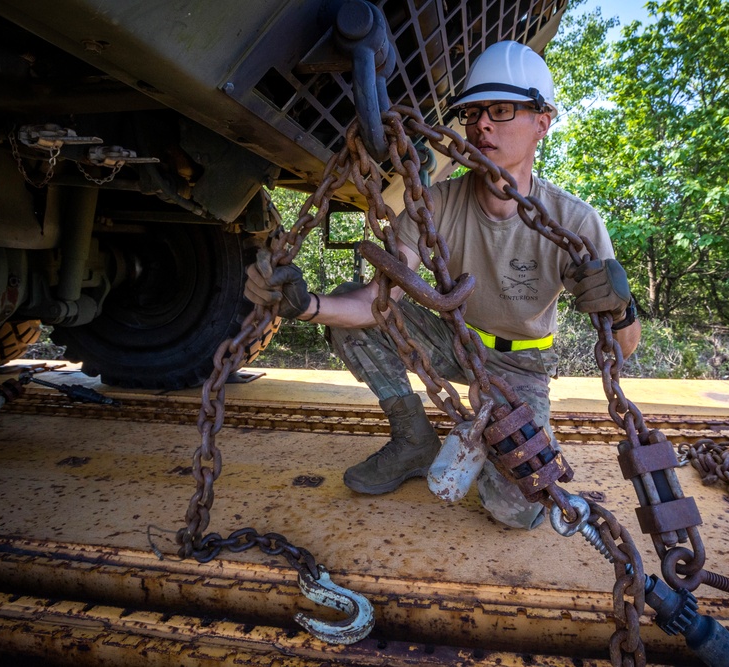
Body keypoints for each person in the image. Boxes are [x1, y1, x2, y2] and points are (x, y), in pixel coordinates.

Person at [245, 40, 641, 529]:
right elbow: (377, 303)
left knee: (517, 510)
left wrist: (622, 310)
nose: (482, 126)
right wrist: (306, 305)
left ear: (542, 122)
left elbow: (623, 350)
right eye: (473, 114)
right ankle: (414, 439)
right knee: (347, 308)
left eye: (500, 110)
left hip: (521, 362)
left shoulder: (573, 221)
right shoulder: (434, 204)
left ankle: (494, 442)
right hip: (456, 343)